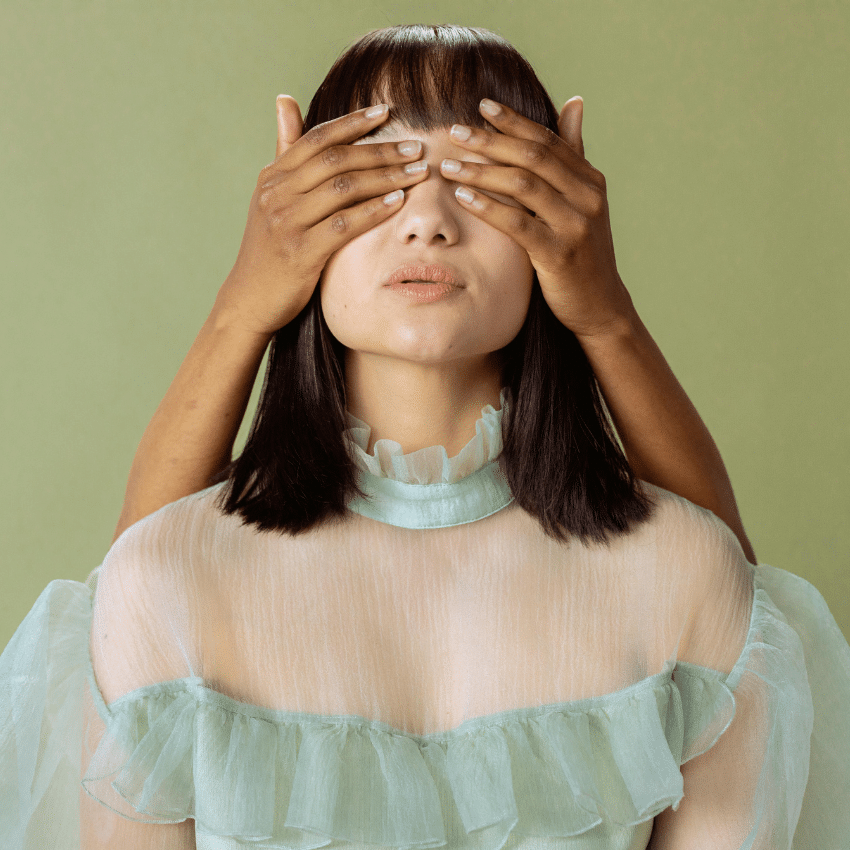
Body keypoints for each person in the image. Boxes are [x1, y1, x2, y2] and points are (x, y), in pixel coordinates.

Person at [1, 23, 848, 850]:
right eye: (377, 178)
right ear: (289, 216)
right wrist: (245, 298)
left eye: (483, 181)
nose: (429, 221)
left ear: (562, 224)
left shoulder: (688, 570)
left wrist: (605, 310)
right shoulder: (163, 577)